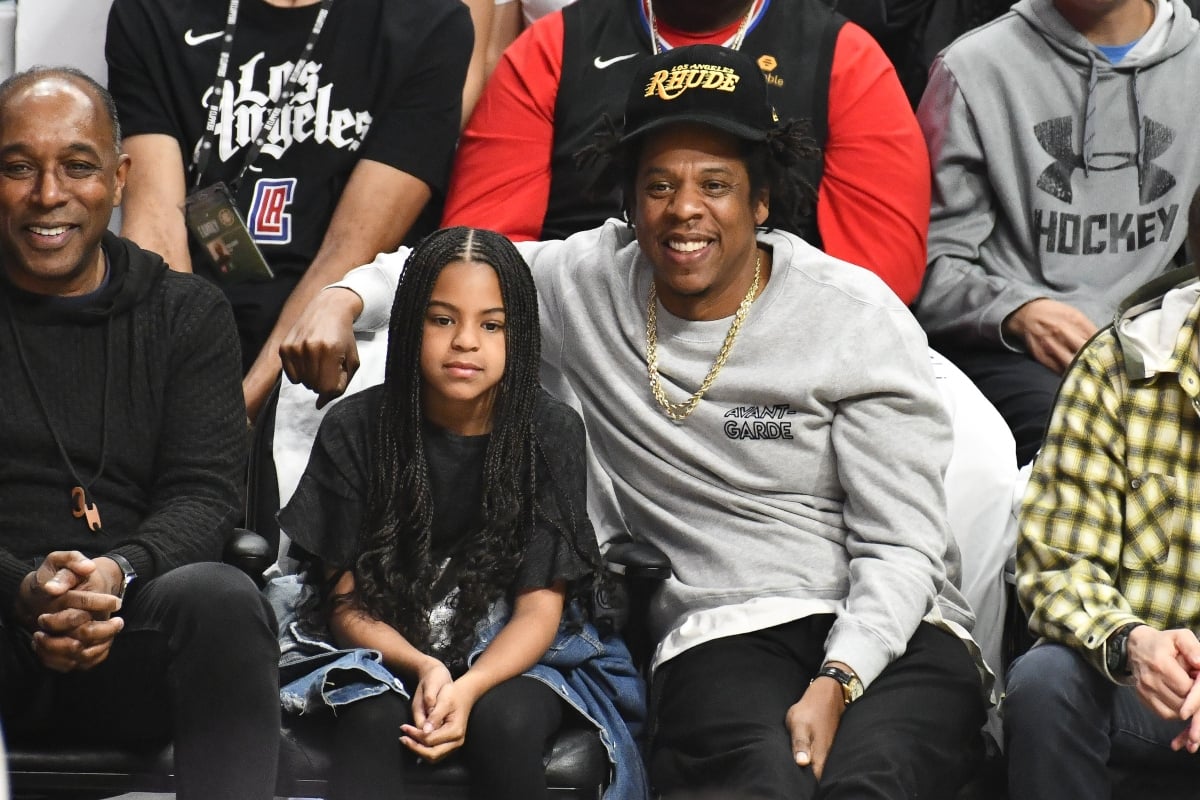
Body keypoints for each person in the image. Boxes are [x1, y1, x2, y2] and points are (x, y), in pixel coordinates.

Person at [283, 45, 987, 798]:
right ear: (627, 202)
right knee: (763, 785)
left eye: (716, 185)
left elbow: (902, 546)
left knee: (873, 784)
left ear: (761, 202)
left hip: (895, 632)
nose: (685, 209)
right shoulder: (587, 281)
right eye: (659, 185)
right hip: (725, 628)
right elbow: (449, 270)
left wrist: (838, 678)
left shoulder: (854, 317)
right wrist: (340, 297)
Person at [275, 226, 648, 800]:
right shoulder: (354, 428)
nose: (466, 342)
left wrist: (469, 686)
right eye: (442, 319)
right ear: (407, 328)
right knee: (372, 717)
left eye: (491, 324)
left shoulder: (551, 433)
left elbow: (537, 612)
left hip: (514, 646)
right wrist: (424, 668)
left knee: (506, 721)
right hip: (379, 635)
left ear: (518, 335)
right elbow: (345, 605)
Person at [0, 67, 279, 798]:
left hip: (133, 629)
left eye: (78, 166)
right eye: (20, 167)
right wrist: (23, 590)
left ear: (121, 179)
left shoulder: (185, 313)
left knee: (221, 597)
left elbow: (205, 494)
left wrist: (115, 573)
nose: (48, 195)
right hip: (1, 624)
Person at [105, 0, 473, 421]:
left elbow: (350, 249)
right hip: (188, 336)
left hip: (335, 346)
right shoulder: (151, 10)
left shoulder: (429, 22)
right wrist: (186, 407)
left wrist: (240, 417)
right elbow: (155, 224)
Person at [444, 0, 932, 304]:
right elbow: (479, 247)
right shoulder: (554, 45)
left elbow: (879, 281)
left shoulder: (846, 57)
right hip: (576, 325)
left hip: (782, 333)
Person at [914, 0, 1200, 465]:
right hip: (1021, 349)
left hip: (1160, 332)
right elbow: (928, 264)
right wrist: (1017, 311)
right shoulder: (973, 68)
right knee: (1076, 438)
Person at [1001, 184, 1200, 797]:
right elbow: (1056, 564)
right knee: (1048, 680)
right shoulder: (1119, 365)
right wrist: (1131, 641)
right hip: (1156, 691)